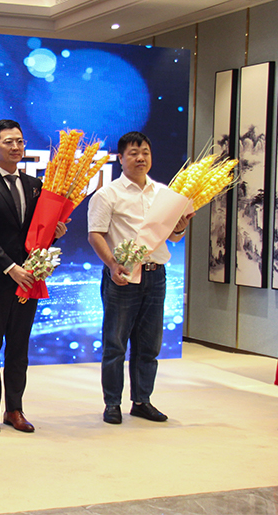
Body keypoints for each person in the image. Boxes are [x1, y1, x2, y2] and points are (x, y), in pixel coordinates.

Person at [0, 119, 67, 435]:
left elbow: (38, 232)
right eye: (8, 141)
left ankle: (14, 409)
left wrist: (55, 232)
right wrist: (11, 267)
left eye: (20, 141)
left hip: (29, 280)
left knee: (19, 349)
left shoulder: (36, 186)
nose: (16, 147)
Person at [87, 131, 193, 425]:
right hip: (122, 276)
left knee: (149, 345)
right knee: (115, 344)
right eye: (133, 153)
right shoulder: (107, 194)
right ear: (120, 158)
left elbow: (173, 236)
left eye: (145, 152)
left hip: (156, 275)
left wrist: (180, 226)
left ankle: (142, 401)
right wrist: (112, 265)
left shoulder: (164, 194)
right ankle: (112, 403)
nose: (140, 158)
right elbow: (95, 234)